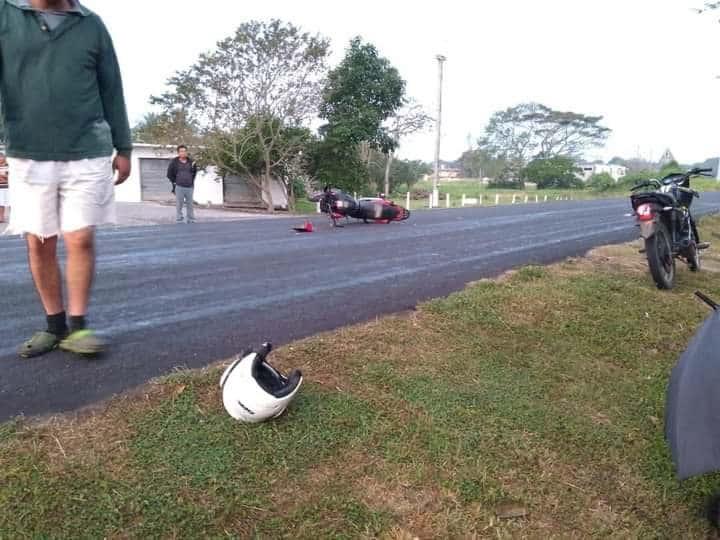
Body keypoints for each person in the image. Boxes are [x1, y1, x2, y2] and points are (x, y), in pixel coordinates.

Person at [0, 0, 132, 358]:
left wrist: (124, 146)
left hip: (87, 148)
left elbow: (112, 89)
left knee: (80, 237)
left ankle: (77, 326)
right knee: (39, 241)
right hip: (27, 150)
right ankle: (53, 326)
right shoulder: (6, 15)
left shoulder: (92, 25)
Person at [166, 145, 198, 223]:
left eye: (184, 151)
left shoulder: (192, 162)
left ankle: (191, 219)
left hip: (189, 187)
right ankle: (179, 219)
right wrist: (174, 182)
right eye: (181, 151)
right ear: (178, 153)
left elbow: (194, 173)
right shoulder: (174, 162)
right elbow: (169, 174)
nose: (183, 153)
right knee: (179, 204)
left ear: (187, 152)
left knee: (190, 204)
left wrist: (191, 181)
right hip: (179, 186)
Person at [0, 153, 8, 223]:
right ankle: (1, 217)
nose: (1, 159)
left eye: (2, 157)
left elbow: (11, 176)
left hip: (8, 187)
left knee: (10, 203)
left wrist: (4, 177)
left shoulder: (8, 166)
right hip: (1, 187)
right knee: (1, 203)